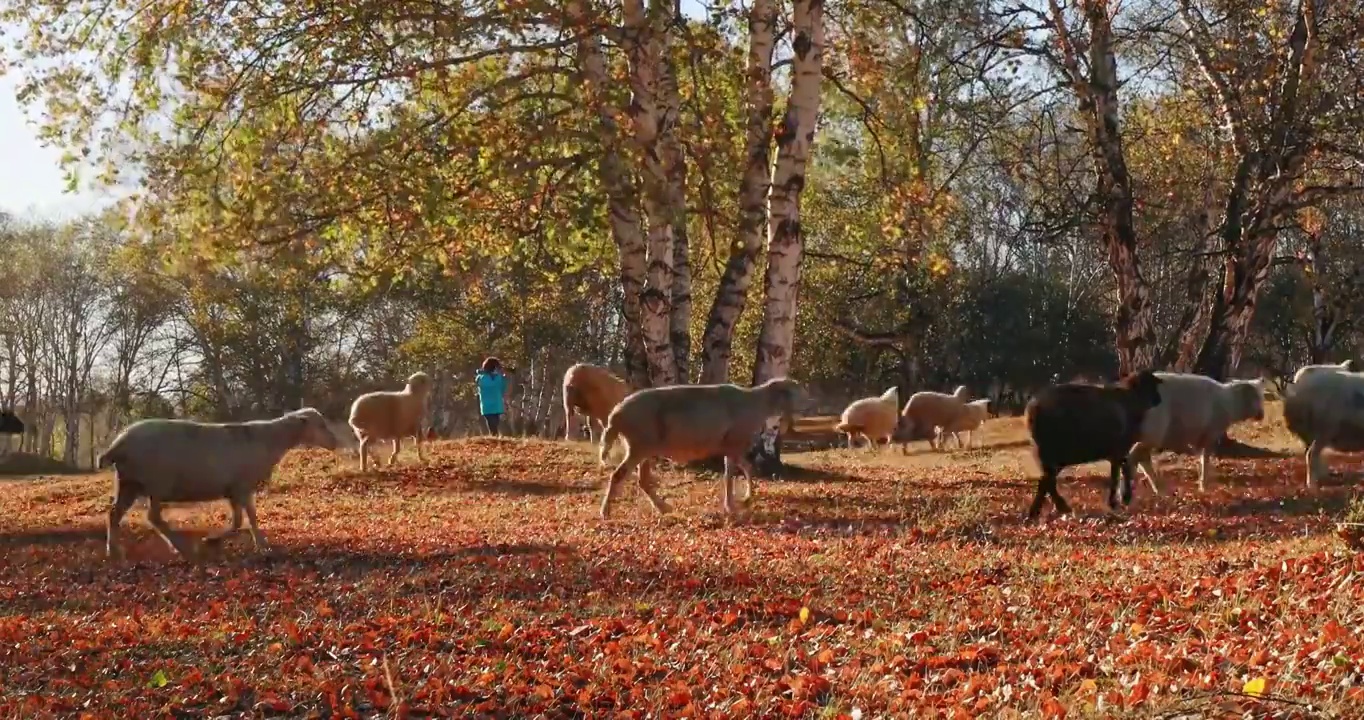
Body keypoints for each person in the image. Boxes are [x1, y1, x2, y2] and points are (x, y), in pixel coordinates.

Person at [474, 357, 509, 435]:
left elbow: (478, 382)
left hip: (486, 406)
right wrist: (502, 375)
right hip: (496, 405)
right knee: (494, 424)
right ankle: (494, 437)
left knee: (491, 424)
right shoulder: (498, 378)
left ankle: (494, 437)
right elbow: (503, 388)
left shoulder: (481, 378)